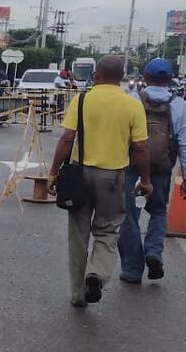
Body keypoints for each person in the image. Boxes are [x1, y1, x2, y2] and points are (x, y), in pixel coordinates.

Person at [47, 55, 151, 307]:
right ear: (122, 77)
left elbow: (66, 139)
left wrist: (53, 172)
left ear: (96, 75)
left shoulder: (82, 100)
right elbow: (140, 147)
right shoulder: (132, 105)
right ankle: (96, 274)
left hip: (79, 175)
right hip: (114, 177)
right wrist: (145, 180)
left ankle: (77, 294)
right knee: (107, 230)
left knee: (78, 235)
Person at [119, 58, 186, 284]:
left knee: (129, 217)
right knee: (158, 212)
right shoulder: (179, 104)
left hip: (132, 168)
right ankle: (153, 252)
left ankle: (132, 270)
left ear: (145, 77)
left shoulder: (132, 100)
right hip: (161, 168)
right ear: (169, 80)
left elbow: (123, 137)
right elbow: (184, 143)